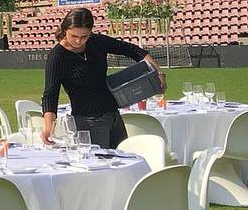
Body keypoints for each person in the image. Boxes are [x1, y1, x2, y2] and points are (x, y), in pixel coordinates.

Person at [40, 8, 164, 149]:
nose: (79, 41)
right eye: (74, 36)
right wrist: (49, 126)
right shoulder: (57, 56)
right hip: (87, 121)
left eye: (84, 36)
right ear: (65, 30)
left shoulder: (96, 42)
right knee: (99, 164)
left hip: (113, 116)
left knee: (122, 160)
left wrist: (158, 73)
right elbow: (50, 94)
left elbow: (133, 50)